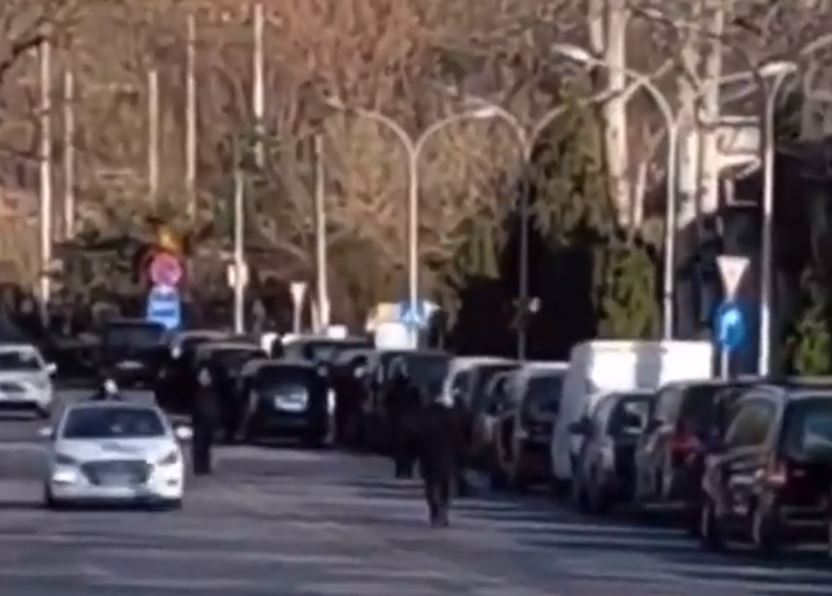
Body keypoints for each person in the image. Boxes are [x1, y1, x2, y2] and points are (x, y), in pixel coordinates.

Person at [411, 390, 468, 528]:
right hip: (448, 457)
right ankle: (443, 510)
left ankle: (436, 510)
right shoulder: (453, 417)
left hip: (429, 457)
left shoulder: (424, 416)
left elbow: (416, 436)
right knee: (447, 486)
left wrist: (415, 454)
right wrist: (463, 457)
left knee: (432, 485)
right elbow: (459, 439)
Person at [191, 366, 220, 476]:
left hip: (208, 422)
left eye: (205, 376)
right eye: (201, 376)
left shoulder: (212, 392)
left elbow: (214, 407)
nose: (202, 378)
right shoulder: (197, 391)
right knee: (199, 445)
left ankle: (204, 467)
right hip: (199, 422)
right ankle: (199, 467)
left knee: (206, 445)